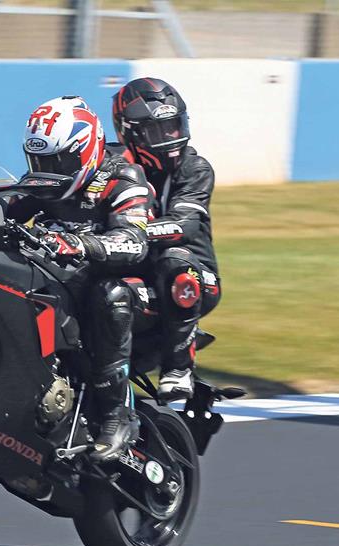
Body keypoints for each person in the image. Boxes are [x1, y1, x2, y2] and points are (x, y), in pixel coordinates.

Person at [8, 95, 155, 460]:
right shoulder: (44, 181)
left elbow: (134, 242)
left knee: (111, 295)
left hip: (129, 285)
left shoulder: (123, 178)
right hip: (60, 280)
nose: (49, 169)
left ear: (85, 148)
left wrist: (78, 243)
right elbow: (6, 204)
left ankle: (116, 414)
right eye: (40, 160)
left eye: (59, 160)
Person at [111, 78, 221, 401]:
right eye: (160, 131)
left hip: (196, 276)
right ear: (129, 133)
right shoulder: (113, 166)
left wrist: (132, 234)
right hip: (136, 268)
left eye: (175, 126)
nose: (172, 137)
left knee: (175, 258)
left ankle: (178, 368)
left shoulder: (195, 168)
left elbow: (183, 226)